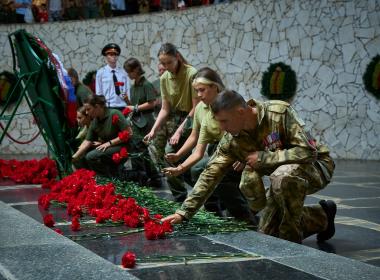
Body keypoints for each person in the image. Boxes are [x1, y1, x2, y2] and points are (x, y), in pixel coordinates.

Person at [163, 89, 337, 244]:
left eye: (224, 121)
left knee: (283, 179)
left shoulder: (277, 113)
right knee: (268, 233)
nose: (222, 127)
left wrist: (263, 157)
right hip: (282, 180)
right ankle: (322, 216)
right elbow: (210, 174)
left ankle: (290, 242)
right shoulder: (232, 140)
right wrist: (184, 212)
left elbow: (308, 151)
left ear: (240, 112)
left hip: (316, 166)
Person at [162, 67, 256, 223]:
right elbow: (197, 144)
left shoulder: (231, 102)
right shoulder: (201, 109)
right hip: (222, 150)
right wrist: (179, 163)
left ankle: (244, 213)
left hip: (243, 150)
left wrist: (244, 156)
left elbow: (248, 133)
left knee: (208, 172)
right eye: (196, 91)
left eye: (202, 90)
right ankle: (216, 206)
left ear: (215, 87)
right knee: (197, 171)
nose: (198, 95)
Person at [143, 43, 199, 202]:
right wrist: (154, 129)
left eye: (169, 62)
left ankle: (181, 197)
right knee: (168, 156)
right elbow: (165, 109)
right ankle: (199, 192)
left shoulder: (191, 73)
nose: (166, 66)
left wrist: (179, 131)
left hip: (192, 116)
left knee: (170, 154)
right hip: (176, 117)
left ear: (177, 57)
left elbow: (196, 108)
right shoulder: (164, 78)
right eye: (163, 63)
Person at [123, 57, 162, 187]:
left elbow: (152, 103)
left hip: (146, 122)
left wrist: (134, 107)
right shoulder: (134, 86)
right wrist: (128, 102)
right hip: (137, 121)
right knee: (137, 150)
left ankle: (153, 177)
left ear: (136, 70)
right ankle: (145, 176)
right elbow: (135, 106)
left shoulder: (146, 85)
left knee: (142, 150)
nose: (128, 75)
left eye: (129, 72)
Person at [72, 95, 132, 178]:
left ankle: (105, 179)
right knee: (82, 156)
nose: (86, 112)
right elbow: (87, 141)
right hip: (109, 147)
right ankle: (94, 178)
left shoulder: (114, 113)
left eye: (88, 109)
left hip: (123, 146)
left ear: (97, 107)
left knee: (91, 156)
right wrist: (75, 156)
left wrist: (109, 143)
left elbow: (128, 133)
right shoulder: (95, 121)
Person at [96, 43, 131, 110]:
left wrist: (128, 103)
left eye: (116, 54)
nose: (114, 56)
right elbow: (99, 93)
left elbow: (127, 90)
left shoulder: (123, 73)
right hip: (108, 106)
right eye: (111, 54)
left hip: (122, 105)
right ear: (106, 56)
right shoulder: (101, 73)